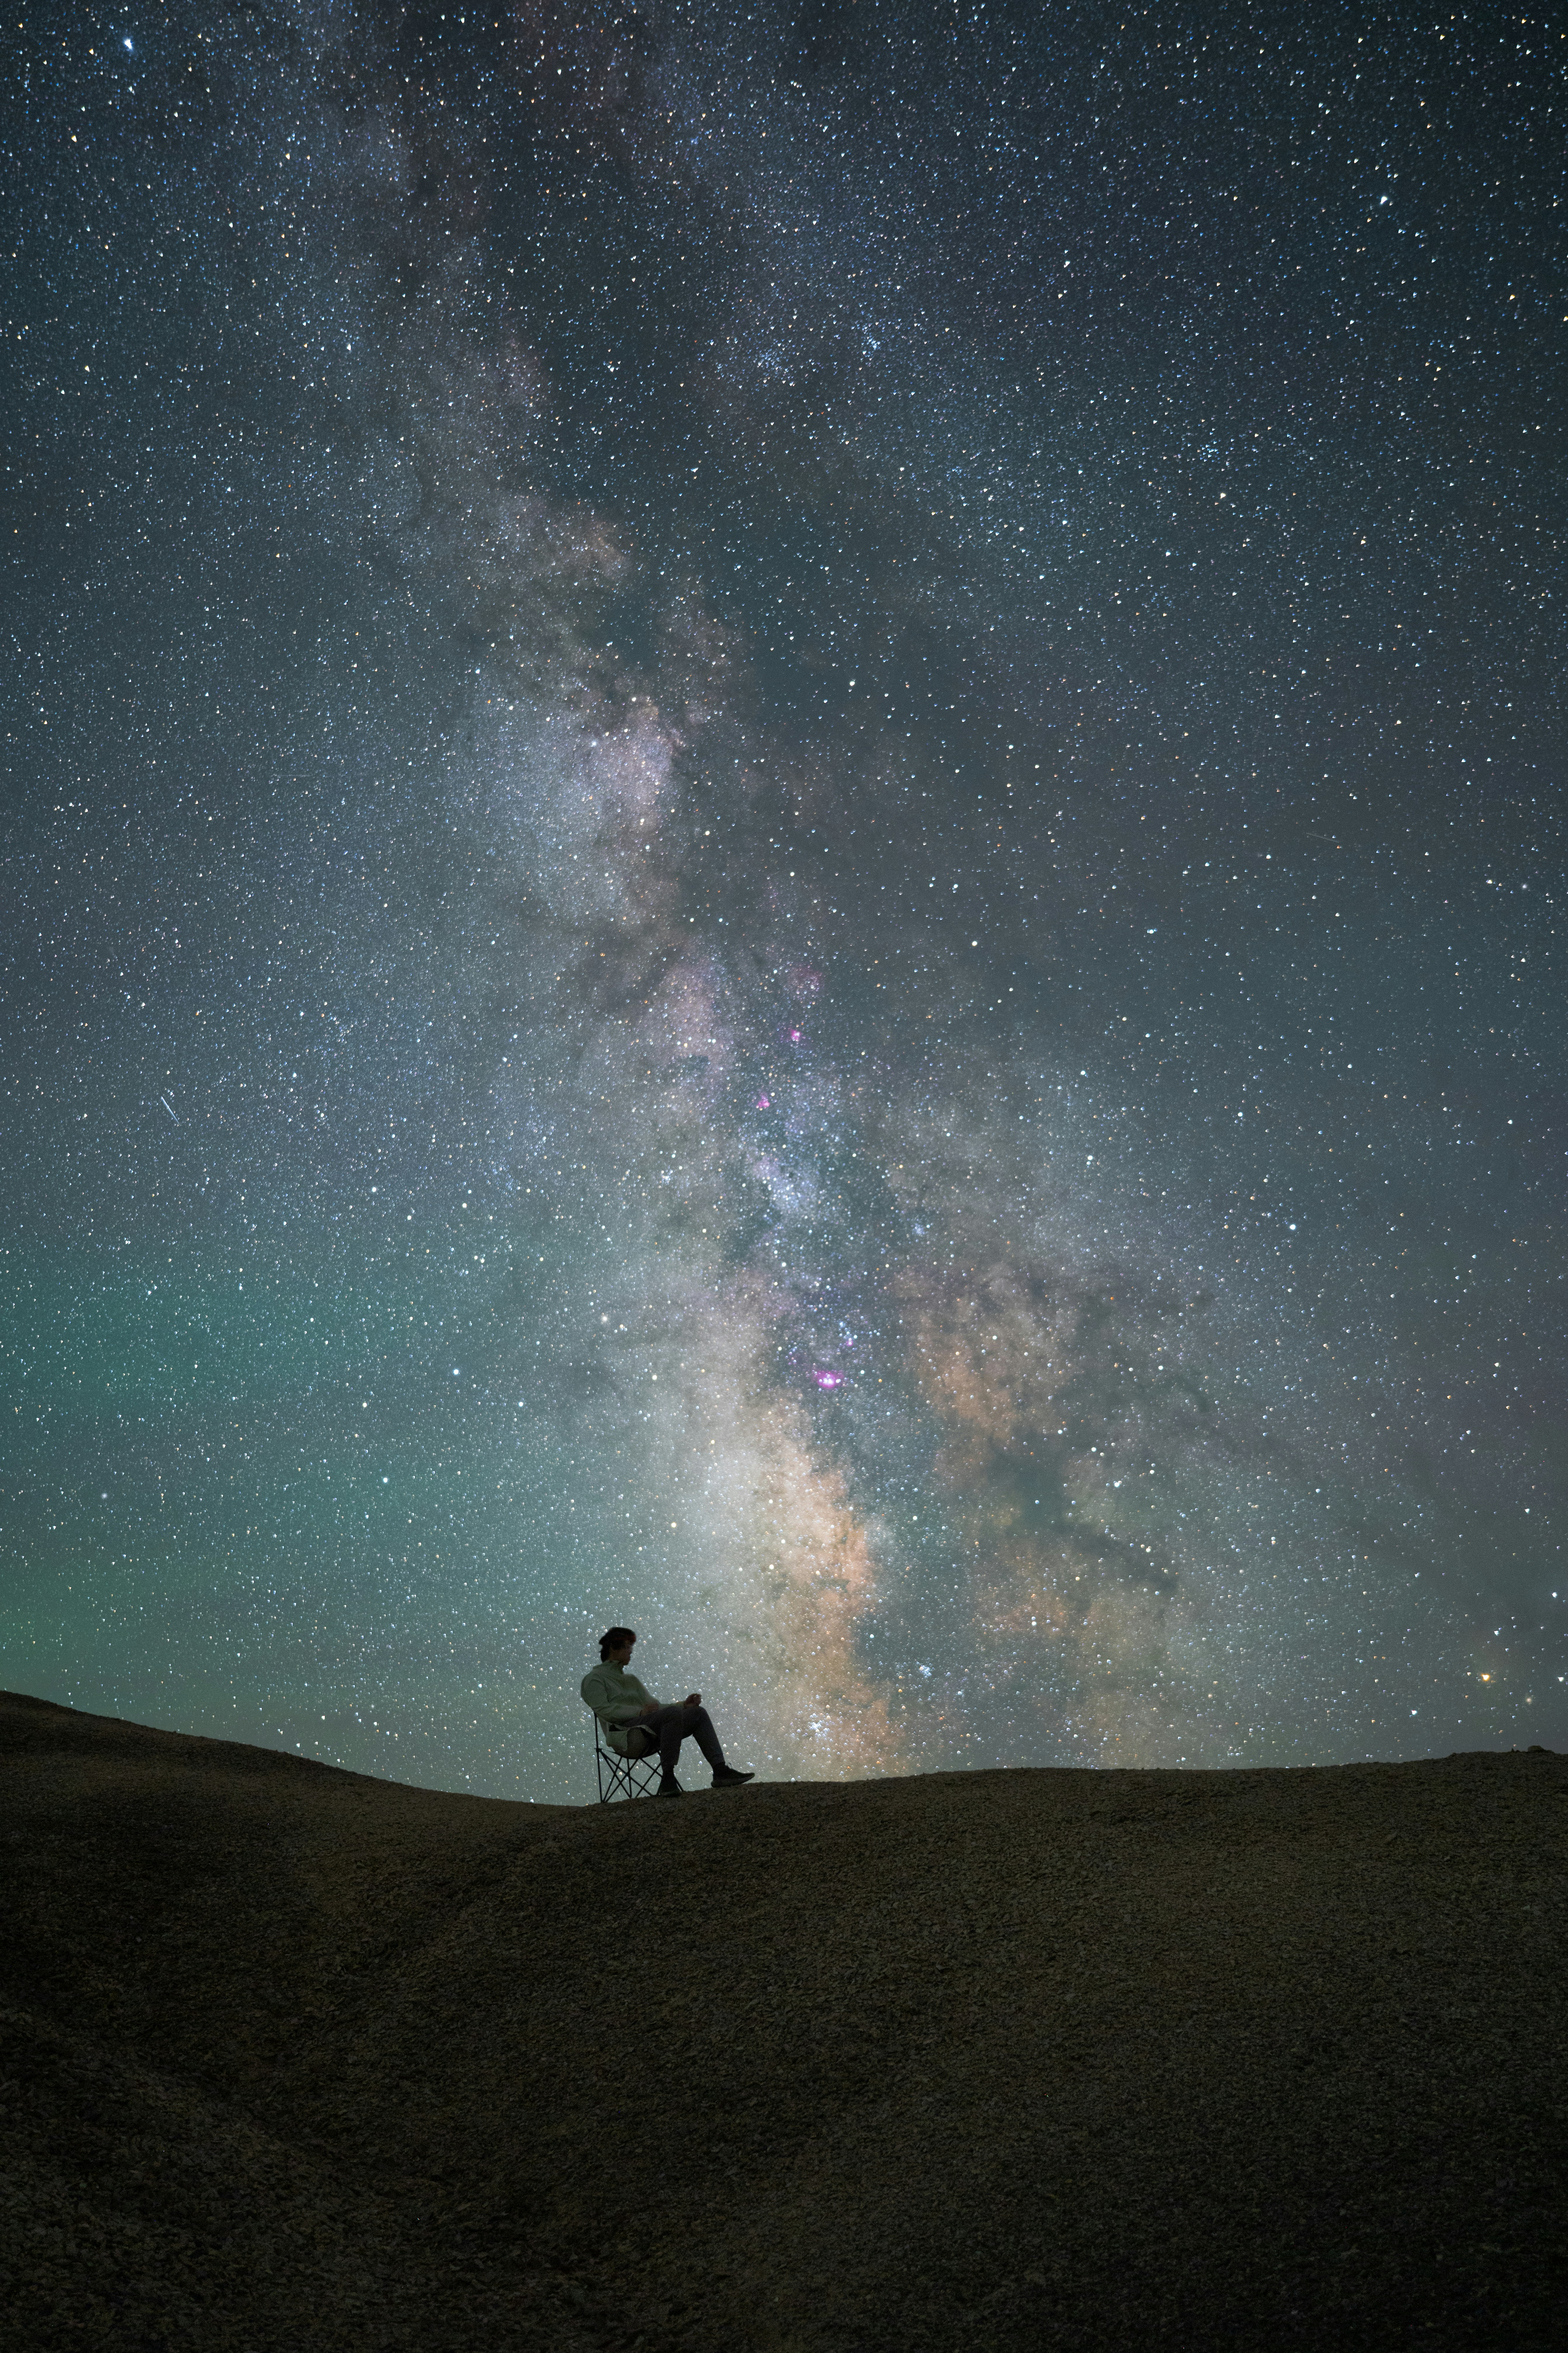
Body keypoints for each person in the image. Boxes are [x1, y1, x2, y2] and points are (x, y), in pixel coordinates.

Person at [581, 1627, 754, 1797]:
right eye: (627, 1646)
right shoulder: (594, 1680)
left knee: (698, 1713)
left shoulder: (631, 1680)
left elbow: (656, 1707)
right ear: (613, 1647)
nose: (631, 1651)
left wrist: (684, 1706)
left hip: (650, 1730)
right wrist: (640, 1713)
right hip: (627, 1736)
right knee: (671, 1714)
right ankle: (668, 1778)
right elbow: (604, 1710)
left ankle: (720, 1771)